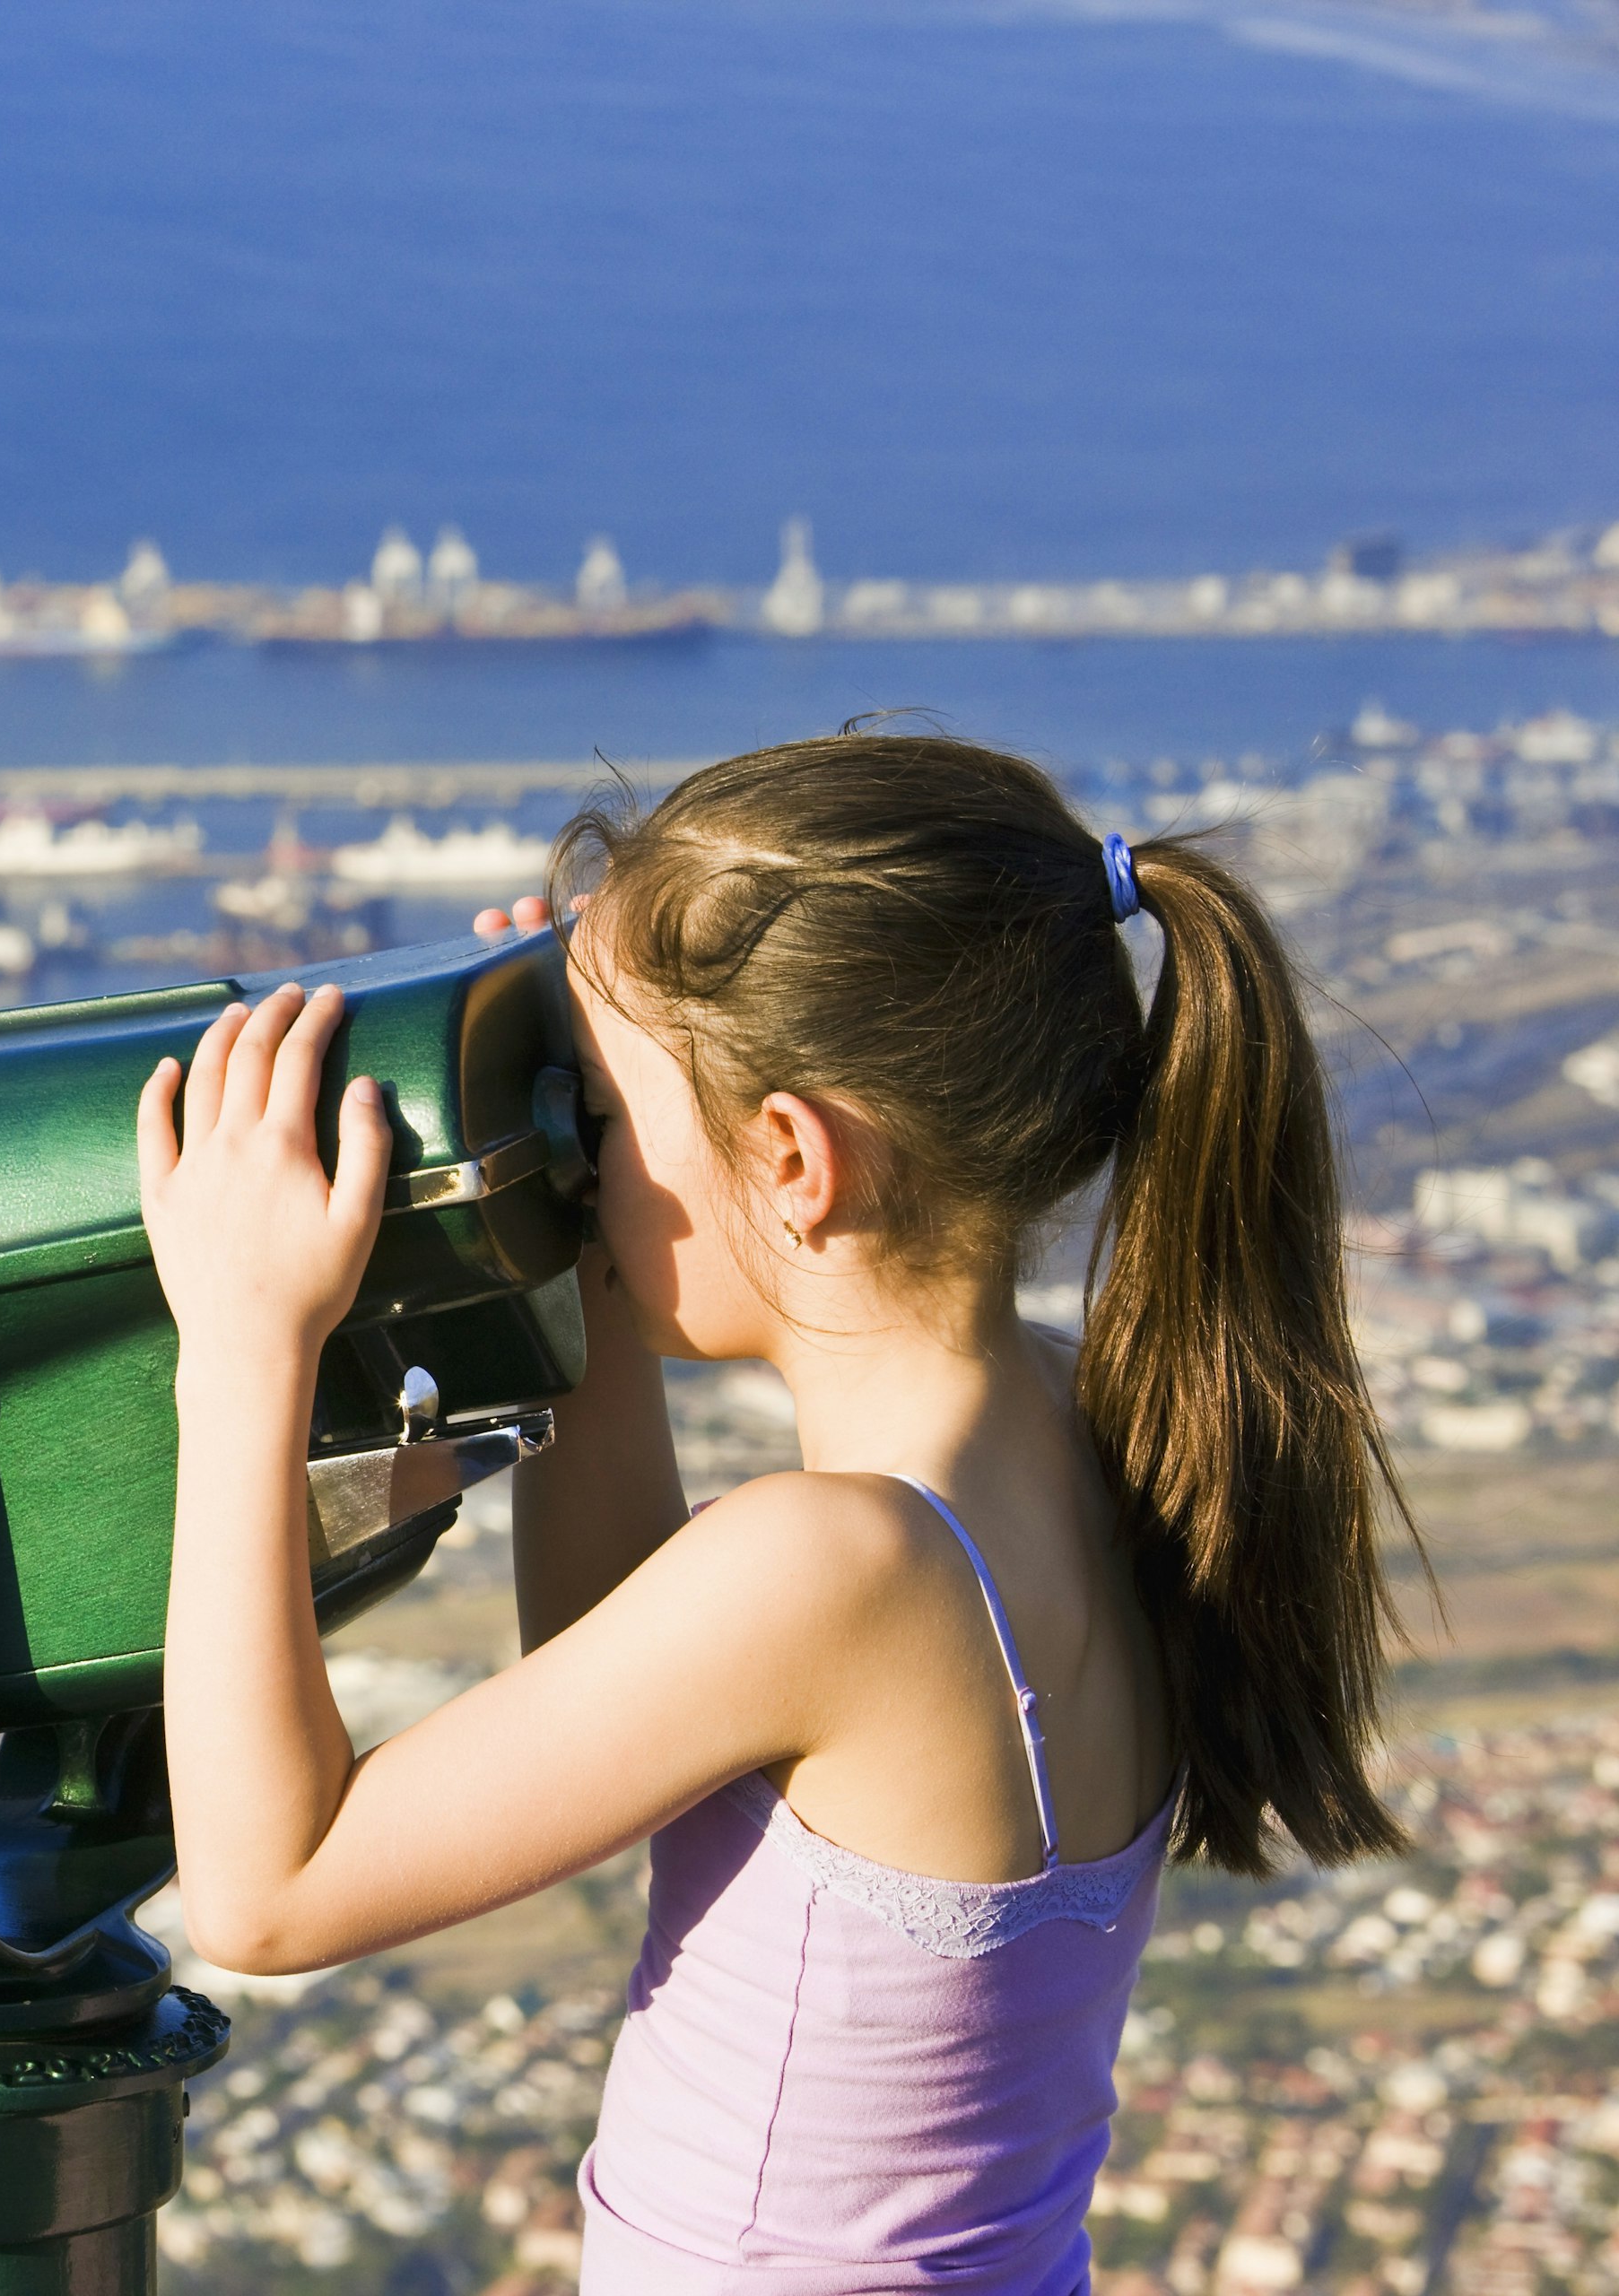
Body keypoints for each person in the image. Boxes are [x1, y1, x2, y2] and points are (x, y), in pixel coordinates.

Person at [135, 728, 1409, 2294]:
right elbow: (615, 1678)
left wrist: (244, 1345)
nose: (580, 1162)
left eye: (597, 1122)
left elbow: (269, 1893)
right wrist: (551, 1226)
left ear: (796, 1158)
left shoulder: (841, 1568)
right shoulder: (1088, 1432)